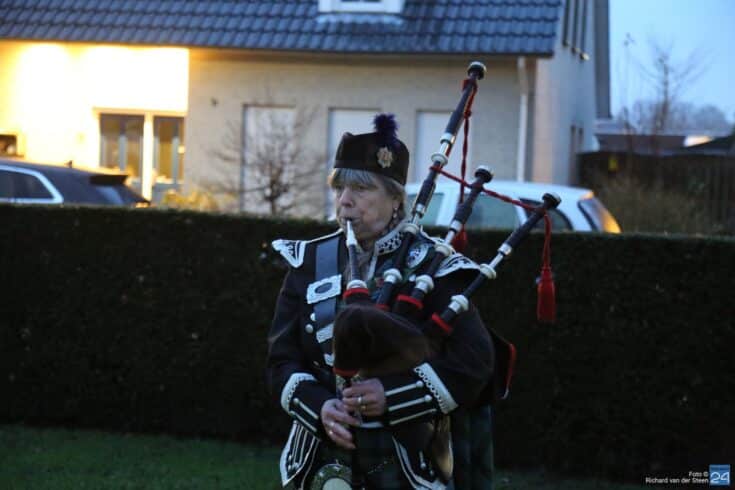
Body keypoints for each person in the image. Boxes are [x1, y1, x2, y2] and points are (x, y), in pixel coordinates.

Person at [266, 114, 495, 490]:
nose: (345, 201)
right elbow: (281, 359)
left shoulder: (435, 265)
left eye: (361, 188)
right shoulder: (310, 260)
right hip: (319, 458)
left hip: (407, 458)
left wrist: (391, 396)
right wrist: (320, 407)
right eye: (339, 188)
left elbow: (473, 363)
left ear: (395, 198)